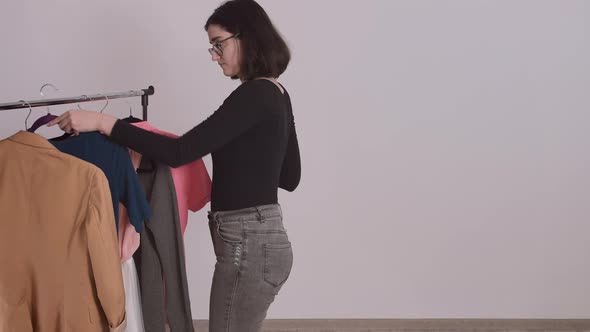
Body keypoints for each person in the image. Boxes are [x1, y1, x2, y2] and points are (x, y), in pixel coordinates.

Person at [48, 0, 301, 330]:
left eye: (218, 43)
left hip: (248, 245)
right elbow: (290, 176)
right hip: (267, 240)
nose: (213, 54)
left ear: (247, 37)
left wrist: (102, 123)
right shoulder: (277, 93)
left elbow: (180, 151)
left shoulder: (253, 95)